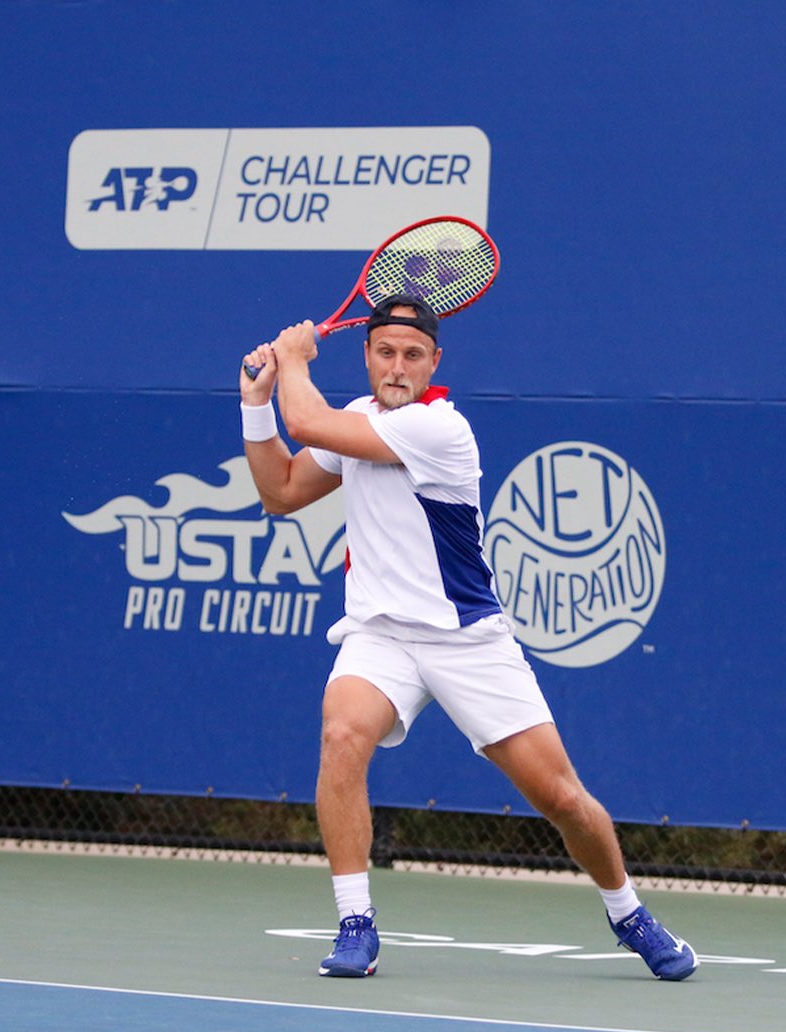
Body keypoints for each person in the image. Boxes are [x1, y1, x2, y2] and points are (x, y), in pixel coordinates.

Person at [238, 294, 698, 981]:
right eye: (386, 352)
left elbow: (305, 418)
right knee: (342, 733)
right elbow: (278, 491)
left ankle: (628, 911)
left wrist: (296, 361)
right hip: (380, 636)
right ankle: (355, 923)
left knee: (563, 798)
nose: (397, 368)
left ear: (435, 363)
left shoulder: (440, 430)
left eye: (412, 355)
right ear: (366, 355)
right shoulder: (357, 421)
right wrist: (255, 404)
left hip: (467, 641)